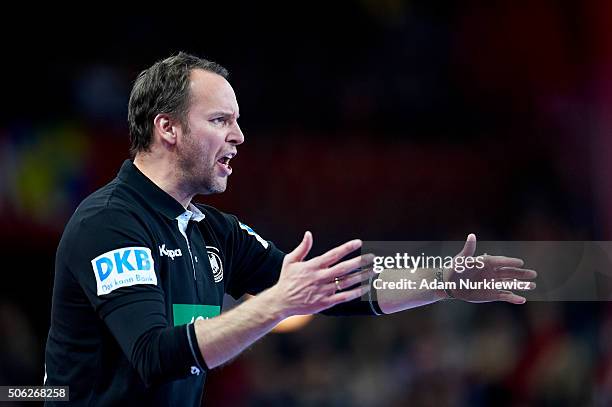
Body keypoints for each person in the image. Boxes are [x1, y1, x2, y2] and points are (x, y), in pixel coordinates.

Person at [44, 52, 536, 406]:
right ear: (167, 129)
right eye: (220, 120)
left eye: (237, 121)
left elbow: (332, 289)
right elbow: (155, 355)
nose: (239, 136)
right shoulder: (110, 223)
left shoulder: (212, 233)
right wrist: (278, 303)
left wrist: (440, 282)